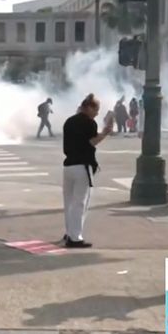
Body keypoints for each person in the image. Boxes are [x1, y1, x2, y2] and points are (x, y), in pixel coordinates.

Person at [61, 94, 114, 248]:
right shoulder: (89, 123)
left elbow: (79, 141)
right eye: (96, 110)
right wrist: (104, 133)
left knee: (69, 203)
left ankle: (69, 232)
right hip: (82, 166)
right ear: (89, 107)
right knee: (80, 203)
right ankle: (75, 238)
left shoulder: (69, 121)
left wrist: (102, 133)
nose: (97, 113)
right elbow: (91, 142)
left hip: (68, 165)